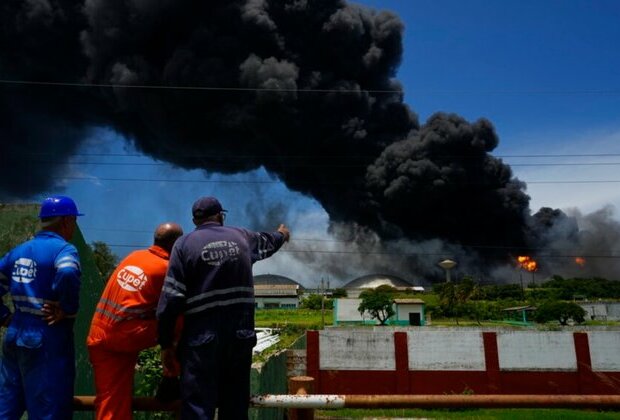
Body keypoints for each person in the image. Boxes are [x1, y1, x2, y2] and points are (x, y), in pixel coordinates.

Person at [157, 196, 290, 420]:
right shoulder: (242, 237)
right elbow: (270, 241)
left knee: (198, 407)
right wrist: (283, 234)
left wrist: (166, 344)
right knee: (235, 406)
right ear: (220, 216)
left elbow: (171, 300)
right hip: (240, 337)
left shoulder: (184, 245)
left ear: (195, 221)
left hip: (201, 341)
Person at [87, 222, 184, 420]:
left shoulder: (134, 257)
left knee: (111, 402)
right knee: (181, 319)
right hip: (124, 335)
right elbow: (172, 314)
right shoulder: (166, 269)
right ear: (176, 244)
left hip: (99, 334)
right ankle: (171, 378)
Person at [0, 195, 84, 419]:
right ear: (67, 221)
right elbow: (67, 271)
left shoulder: (18, 251)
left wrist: (4, 317)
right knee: (49, 409)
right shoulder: (63, 250)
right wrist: (66, 308)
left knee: (6, 407)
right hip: (46, 336)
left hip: (14, 333)